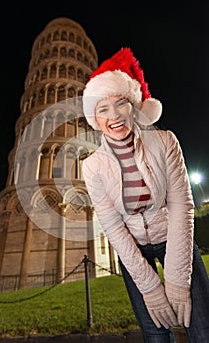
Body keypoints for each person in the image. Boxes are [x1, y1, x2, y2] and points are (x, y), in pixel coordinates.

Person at [82, 47, 209, 342]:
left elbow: (181, 205)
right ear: (95, 118)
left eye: (121, 103)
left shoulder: (165, 141)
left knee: (202, 327)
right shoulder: (93, 166)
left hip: (174, 236)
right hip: (134, 249)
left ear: (134, 106)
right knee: (155, 333)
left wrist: (177, 279)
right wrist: (151, 288)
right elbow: (113, 226)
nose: (114, 115)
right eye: (103, 109)